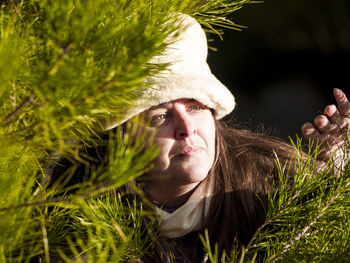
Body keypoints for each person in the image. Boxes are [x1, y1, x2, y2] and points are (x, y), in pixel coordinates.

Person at [49, 14, 349, 263]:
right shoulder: (70, 207)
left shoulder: (278, 180)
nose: (186, 128)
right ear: (121, 138)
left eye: (195, 107)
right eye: (159, 116)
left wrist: (335, 177)